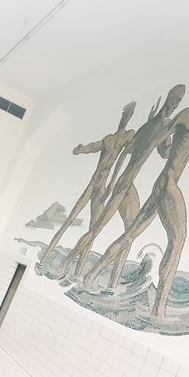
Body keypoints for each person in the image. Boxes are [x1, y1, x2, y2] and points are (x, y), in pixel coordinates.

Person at [81, 67, 189, 317]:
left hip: (161, 183)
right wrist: (124, 177)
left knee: (130, 234)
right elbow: (158, 145)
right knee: (177, 242)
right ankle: (159, 310)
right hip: (168, 184)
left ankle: (90, 277)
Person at [52, 84, 186, 286]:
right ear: (169, 98)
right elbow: (162, 153)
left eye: (179, 101)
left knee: (112, 230)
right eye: (176, 100)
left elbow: (128, 154)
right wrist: (184, 143)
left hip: (124, 183)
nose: (176, 105)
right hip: (125, 184)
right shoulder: (163, 126)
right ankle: (93, 276)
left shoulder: (147, 126)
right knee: (117, 232)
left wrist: (114, 181)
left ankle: (85, 273)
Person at [35, 102, 136, 276]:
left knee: (92, 229)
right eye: (125, 113)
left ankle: (77, 271)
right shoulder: (109, 139)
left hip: (103, 188)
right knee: (69, 220)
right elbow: (93, 147)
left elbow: (129, 153)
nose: (126, 117)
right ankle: (43, 260)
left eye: (130, 114)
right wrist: (81, 149)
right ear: (122, 115)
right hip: (94, 183)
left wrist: (112, 185)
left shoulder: (128, 137)